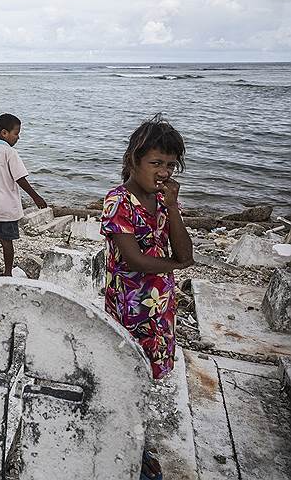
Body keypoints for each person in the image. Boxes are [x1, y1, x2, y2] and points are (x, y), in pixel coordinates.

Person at [100, 115, 194, 480]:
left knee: (148, 376)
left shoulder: (162, 200)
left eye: (170, 165)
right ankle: (126, 447)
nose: (164, 172)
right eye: (156, 163)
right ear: (133, 161)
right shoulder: (117, 201)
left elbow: (184, 249)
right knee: (126, 374)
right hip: (129, 307)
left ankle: (134, 442)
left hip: (160, 308)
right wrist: (174, 263)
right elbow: (134, 260)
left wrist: (172, 207)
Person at [0, 113, 47, 277]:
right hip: (6, 207)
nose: (18, 137)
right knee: (7, 240)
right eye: (16, 133)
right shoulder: (10, 152)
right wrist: (36, 197)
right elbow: (20, 178)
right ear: (4, 133)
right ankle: (7, 272)